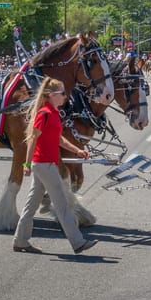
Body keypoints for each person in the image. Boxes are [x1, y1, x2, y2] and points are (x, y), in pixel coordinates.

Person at [12, 77, 97, 255]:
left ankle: (20, 241)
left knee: (31, 206)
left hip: (46, 164)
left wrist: (77, 150)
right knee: (62, 204)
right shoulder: (44, 113)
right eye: (62, 93)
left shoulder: (54, 113)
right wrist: (26, 164)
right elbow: (32, 139)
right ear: (51, 95)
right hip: (44, 164)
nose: (66, 96)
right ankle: (78, 242)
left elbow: (59, 139)